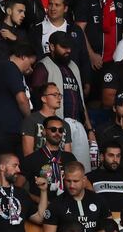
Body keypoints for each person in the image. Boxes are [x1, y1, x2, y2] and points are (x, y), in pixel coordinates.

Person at [29, 31, 95, 166]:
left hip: (78, 124)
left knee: (82, 168)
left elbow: (80, 100)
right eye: (63, 47)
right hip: (57, 126)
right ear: (52, 47)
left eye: (69, 47)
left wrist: (89, 129)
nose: (68, 50)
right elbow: (37, 98)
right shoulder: (43, 66)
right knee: (60, 167)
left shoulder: (74, 66)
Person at [0, 42, 36, 160]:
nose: (30, 69)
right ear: (23, 57)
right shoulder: (10, 67)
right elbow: (22, 99)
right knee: (8, 167)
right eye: (31, 64)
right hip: (6, 130)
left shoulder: (0, 68)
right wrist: (30, 120)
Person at [75, 0, 123, 71]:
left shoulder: (121, 2)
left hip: (117, 61)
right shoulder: (86, 0)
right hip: (94, 62)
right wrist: (91, 55)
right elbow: (79, 30)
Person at [28, 0, 89, 80]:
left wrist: (87, 81)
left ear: (65, 8)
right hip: (45, 79)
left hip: (71, 80)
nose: (53, 8)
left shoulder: (75, 30)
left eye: (57, 5)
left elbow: (83, 57)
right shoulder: (36, 30)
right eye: (50, 4)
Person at [87, 141, 123, 212]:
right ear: (102, 157)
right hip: (103, 221)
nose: (115, 160)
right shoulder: (90, 177)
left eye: (118, 156)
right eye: (111, 155)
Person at [21, 83, 74, 156]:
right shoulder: (31, 120)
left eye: (59, 95)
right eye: (54, 95)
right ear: (44, 99)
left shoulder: (65, 124)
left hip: (59, 165)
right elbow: (28, 154)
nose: (58, 98)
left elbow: (68, 155)